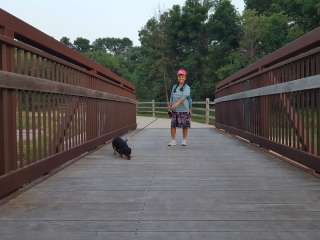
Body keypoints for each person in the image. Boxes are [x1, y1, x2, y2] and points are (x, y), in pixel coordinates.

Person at [168, 68, 191, 146]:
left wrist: (176, 104)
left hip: (184, 109)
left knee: (184, 126)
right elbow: (171, 96)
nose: (181, 78)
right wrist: (170, 105)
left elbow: (184, 97)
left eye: (182, 76)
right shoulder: (174, 86)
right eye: (179, 76)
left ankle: (184, 140)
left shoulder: (187, 87)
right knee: (173, 125)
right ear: (178, 77)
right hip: (175, 110)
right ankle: (173, 140)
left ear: (185, 77)